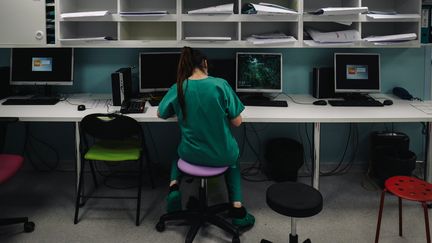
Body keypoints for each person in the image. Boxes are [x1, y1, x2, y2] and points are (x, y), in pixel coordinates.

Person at [157, 46, 254, 228]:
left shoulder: (179, 87)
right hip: (221, 155)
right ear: (205, 63)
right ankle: (237, 209)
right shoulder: (220, 85)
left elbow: (161, 113)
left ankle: (173, 187)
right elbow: (237, 122)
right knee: (233, 159)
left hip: (190, 155)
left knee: (178, 152)